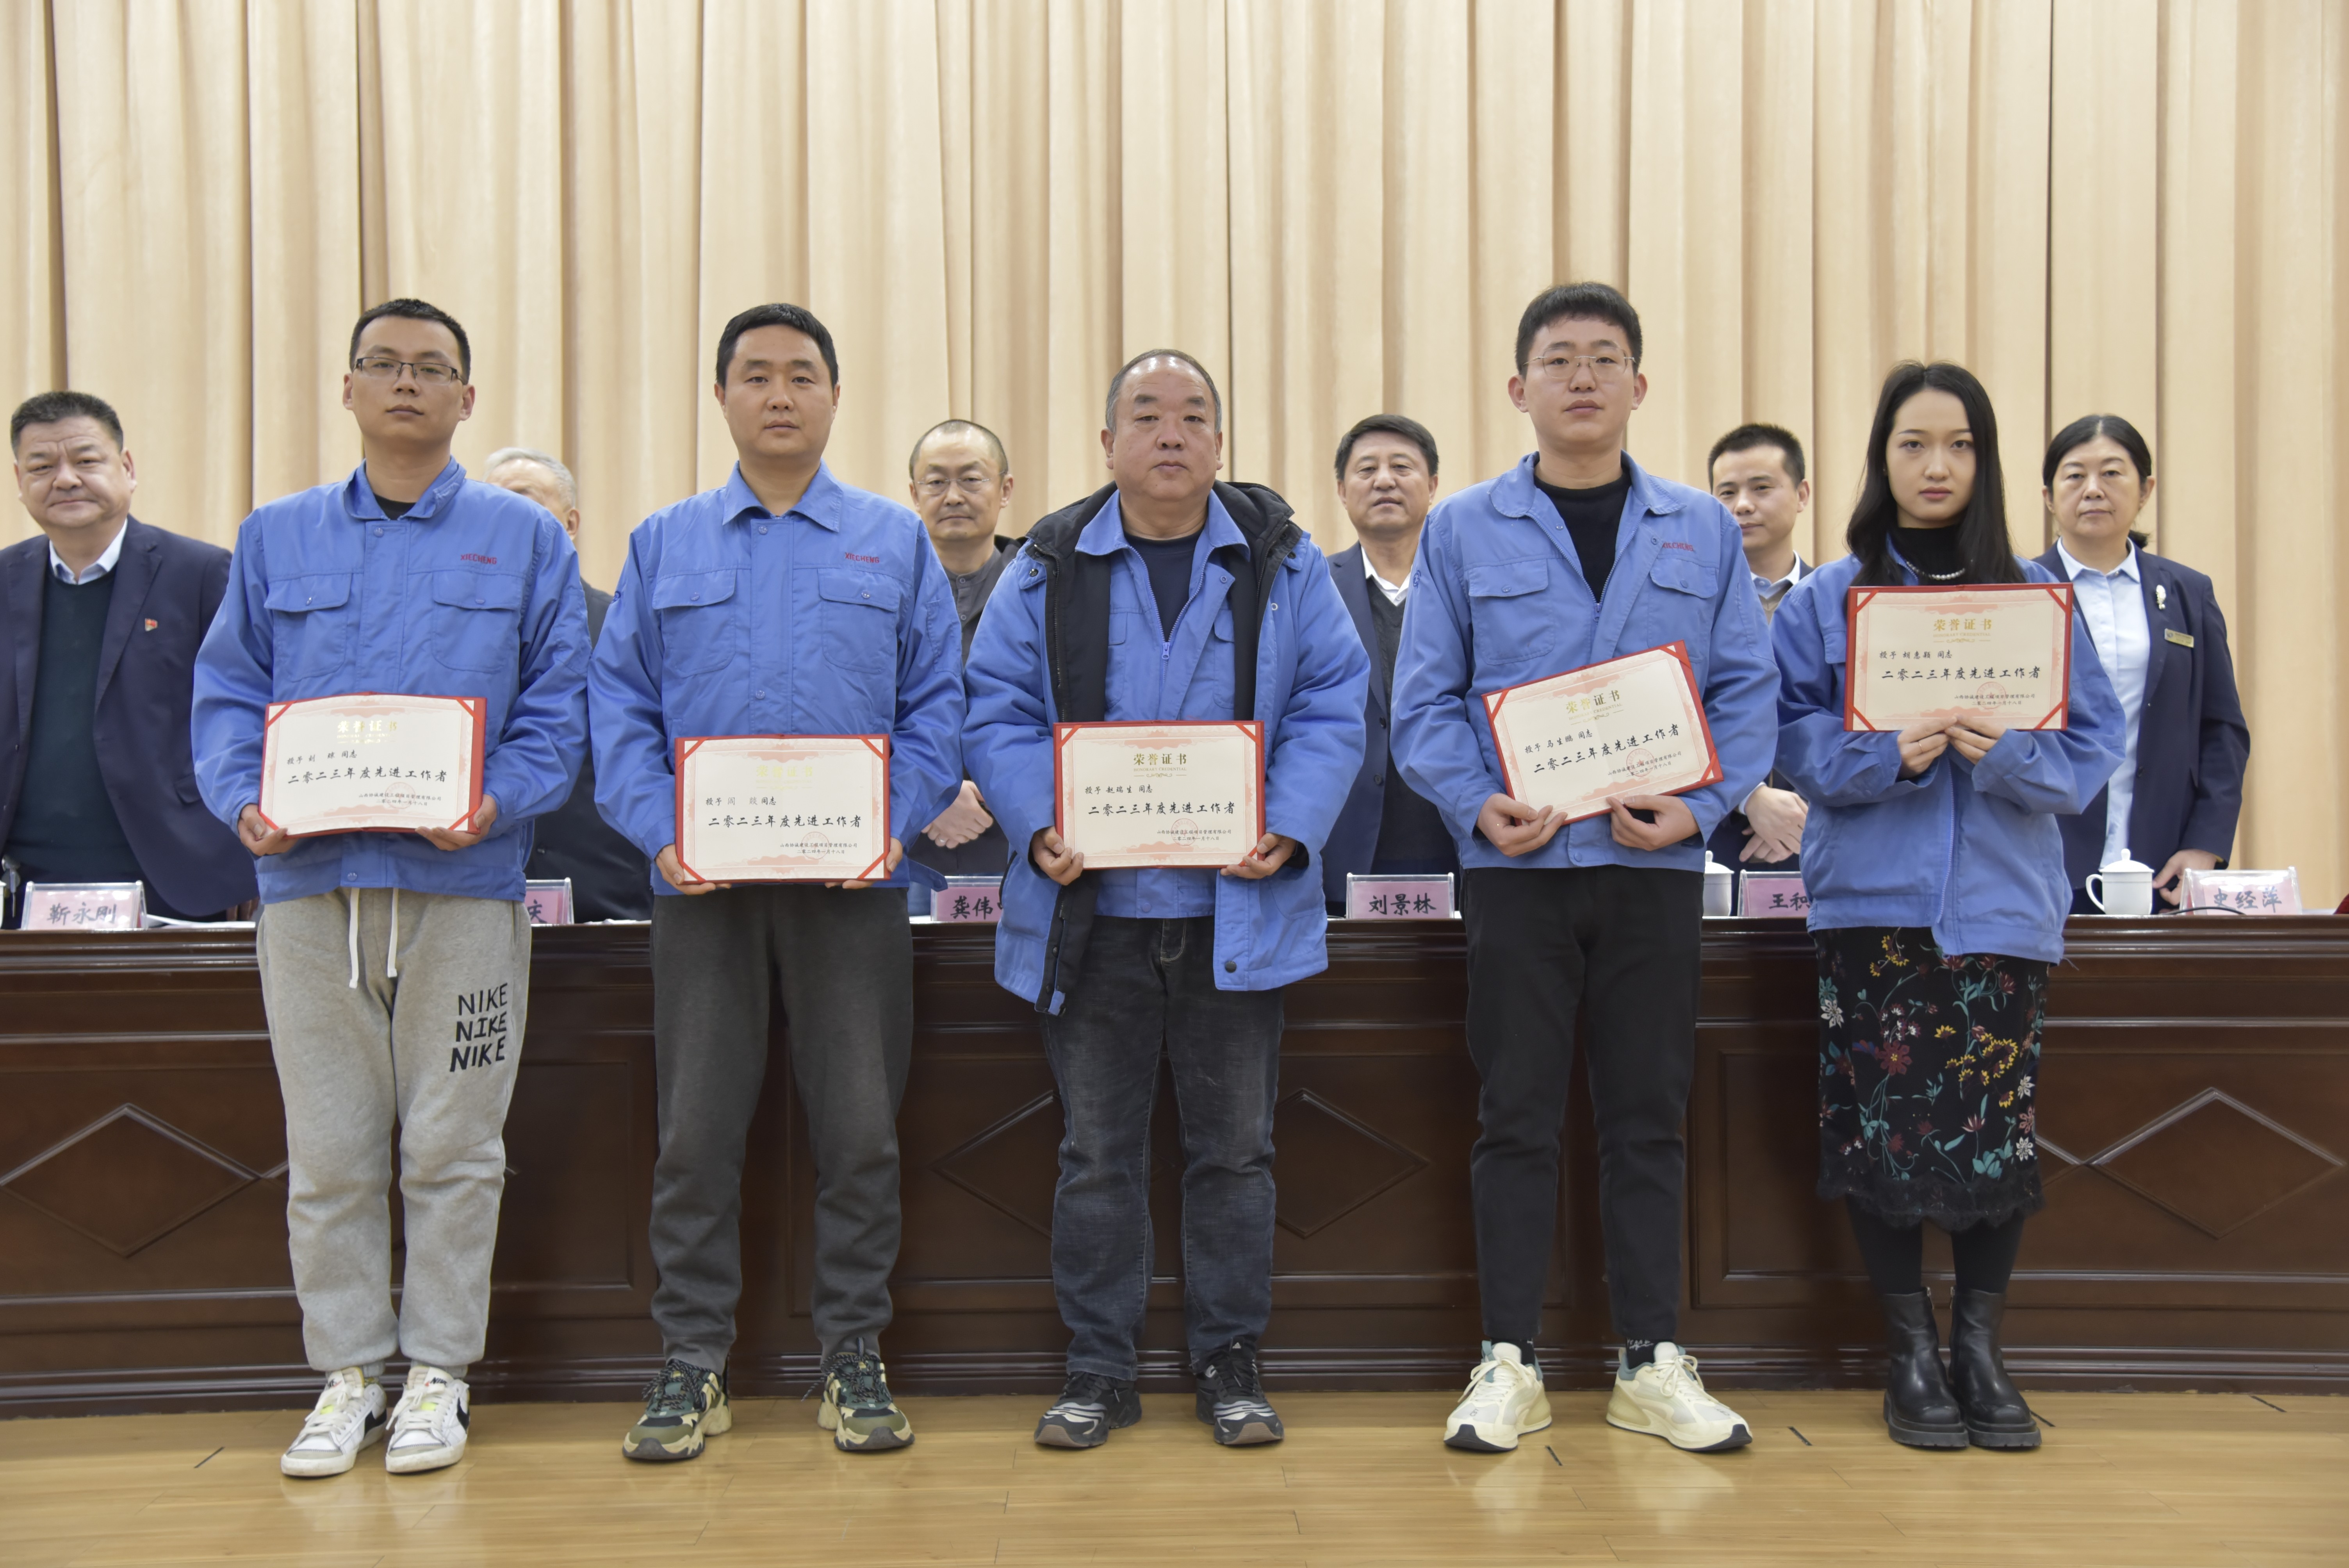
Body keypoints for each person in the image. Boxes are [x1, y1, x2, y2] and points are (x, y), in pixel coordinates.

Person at [190, 298, 590, 1478]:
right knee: (328, 1151)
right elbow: (227, 695)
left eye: (431, 367)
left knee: (457, 1147)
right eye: (383, 363)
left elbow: (557, 709)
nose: (406, 382)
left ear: (466, 396)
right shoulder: (278, 536)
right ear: (349, 387)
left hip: (464, 888)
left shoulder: (526, 541)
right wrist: (243, 800)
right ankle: (349, 1373)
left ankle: (439, 1375)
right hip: (310, 890)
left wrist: (494, 802)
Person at [1392, 282, 1778, 1457]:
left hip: (1652, 867)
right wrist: (1476, 802)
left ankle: (1649, 1359)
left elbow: (1745, 693)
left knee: (1648, 1115)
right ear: (1519, 387)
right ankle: (1507, 1358)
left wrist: (1699, 807)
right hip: (1517, 869)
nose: (1581, 377)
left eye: (1604, 357)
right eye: (1558, 358)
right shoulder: (1463, 528)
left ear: (1638, 386)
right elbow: (1423, 705)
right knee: (1514, 1113)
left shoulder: (1700, 528)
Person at [962, 349, 1368, 1450]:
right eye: (1146, 415)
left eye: (1193, 416)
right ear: (1109, 443)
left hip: (1236, 911)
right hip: (1091, 915)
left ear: (1219, 440)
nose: (1171, 434)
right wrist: (1037, 820)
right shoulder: (1047, 565)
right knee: (1095, 1153)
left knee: (1235, 1153)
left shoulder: (1282, 562)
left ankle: (1230, 1359)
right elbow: (994, 708)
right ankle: (1098, 1366)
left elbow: (1334, 701)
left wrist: (1291, 821)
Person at [592, 304, 964, 1462]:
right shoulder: (664, 542)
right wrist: (660, 833)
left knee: (859, 1132)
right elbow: (620, 708)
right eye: (755, 375)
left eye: (802, 375)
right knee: (695, 1135)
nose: (780, 394)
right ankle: (691, 1357)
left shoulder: (893, 540)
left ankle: (853, 1352)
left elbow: (936, 705)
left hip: (853, 890)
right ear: (722, 399)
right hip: (701, 891)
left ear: (834, 397)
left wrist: (885, 826)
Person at [1772, 361, 2123, 1451]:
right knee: (1880, 1134)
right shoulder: (1828, 598)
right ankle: (1910, 1353)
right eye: (1913, 443)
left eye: (1959, 444)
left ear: (1986, 459)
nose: (1937, 465)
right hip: (1872, 913)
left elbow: (2091, 749)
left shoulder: (2036, 597)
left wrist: (2005, 755)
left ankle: (1980, 1350)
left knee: (1992, 1138)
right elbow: (1790, 737)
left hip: (2002, 909)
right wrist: (1891, 756)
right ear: (1881, 458)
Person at [3, 392, 253, 923]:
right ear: (20, 482)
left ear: (128, 468)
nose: (65, 479)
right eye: (42, 467)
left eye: (86, 460)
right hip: (24, 881)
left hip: (177, 873)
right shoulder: (5, 580)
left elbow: (246, 711)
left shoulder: (200, 573)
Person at [2034, 415, 2247, 910]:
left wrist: (2205, 844)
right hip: (2041, 862)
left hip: (2162, 864)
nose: (2093, 489)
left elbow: (2221, 731)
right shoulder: (2017, 592)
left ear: (2145, 490)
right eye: (2074, 475)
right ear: (2048, 496)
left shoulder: (2188, 592)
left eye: (2112, 473)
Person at [483, 447, 653, 921]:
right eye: (494, 507)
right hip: (481, 881)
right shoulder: (459, 632)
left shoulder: (620, 624)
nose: (510, 519)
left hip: (607, 886)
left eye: (524, 500)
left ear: (571, 522)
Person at [1318, 413, 1458, 909]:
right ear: (1341, 489)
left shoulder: (1464, 586)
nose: (1384, 481)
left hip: (1455, 833)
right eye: (1366, 469)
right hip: (1344, 841)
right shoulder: (1312, 588)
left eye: (1401, 467)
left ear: (1433, 485)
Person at [904, 419, 1017, 884]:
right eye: (936, 482)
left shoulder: (1041, 590)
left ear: (1005, 489)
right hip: (907, 839)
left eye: (971, 479)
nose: (953, 496)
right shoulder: (885, 593)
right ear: (914, 494)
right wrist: (933, 794)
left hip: (1018, 837)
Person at [1704, 423, 1814, 870]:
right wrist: (1749, 796)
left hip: (1823, 831)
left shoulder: (1840, 601)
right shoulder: (1690, 607)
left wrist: (1800, 812)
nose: (1743, 505)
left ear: (1802, 494)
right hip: (1716, 833)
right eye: (1727, 493)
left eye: (1761, 488)